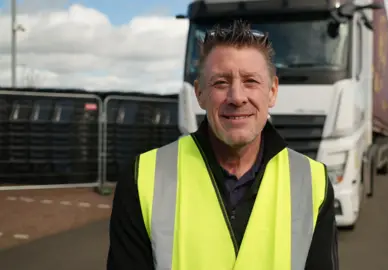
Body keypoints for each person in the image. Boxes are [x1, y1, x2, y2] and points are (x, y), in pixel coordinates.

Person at [107, 20, 339, 270]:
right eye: (220, 83)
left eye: (250, 81)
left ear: (272, 91)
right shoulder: (142, 179)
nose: (237, 97)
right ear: (199, 94)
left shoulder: (313, 182)